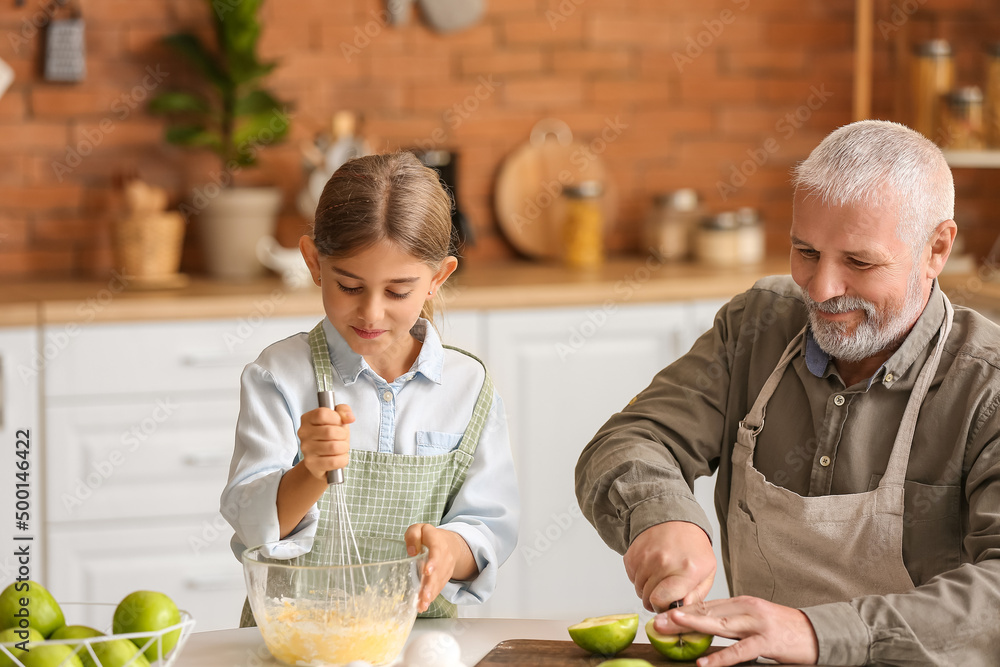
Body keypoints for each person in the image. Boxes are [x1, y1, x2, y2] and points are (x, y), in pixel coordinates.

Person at [575, 120, 1000, 666]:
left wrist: (817, 633)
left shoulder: (985, 385)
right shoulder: (758, 323)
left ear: (936, 248)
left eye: (859, 262)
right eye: (805, 251)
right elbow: (635, 436)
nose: (821, 289)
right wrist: (661, 515)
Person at [221, 151, 519, 623]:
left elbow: (491, 526)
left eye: (398, 292)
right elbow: (252, 524)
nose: (371, 313)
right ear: (315, 263)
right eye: (349, 286)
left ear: (438, 277)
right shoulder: (279, 376)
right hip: (293, 642)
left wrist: (451, 549)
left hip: (417, 644)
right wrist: (312, 471)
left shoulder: (469, 387)